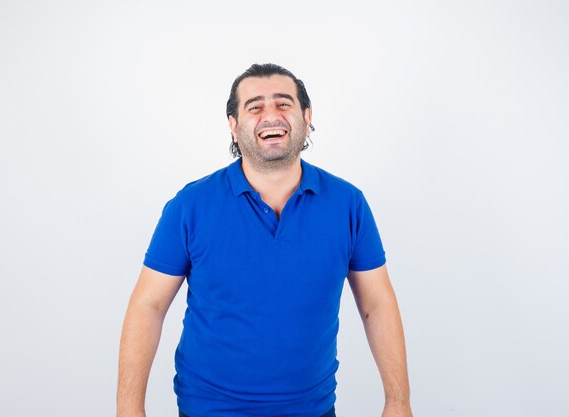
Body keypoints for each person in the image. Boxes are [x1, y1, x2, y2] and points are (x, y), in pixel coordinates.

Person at [117, 63, 413, 417]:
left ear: (306, 116)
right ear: (233, 125)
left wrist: (398, 401)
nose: (270, 115)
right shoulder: (190, 206)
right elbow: (148, 307)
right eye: (254, 107)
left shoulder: (348, 204)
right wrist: (128, 410)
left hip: (314, 410)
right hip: (208, 410)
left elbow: (377, 303)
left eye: (283, 103)